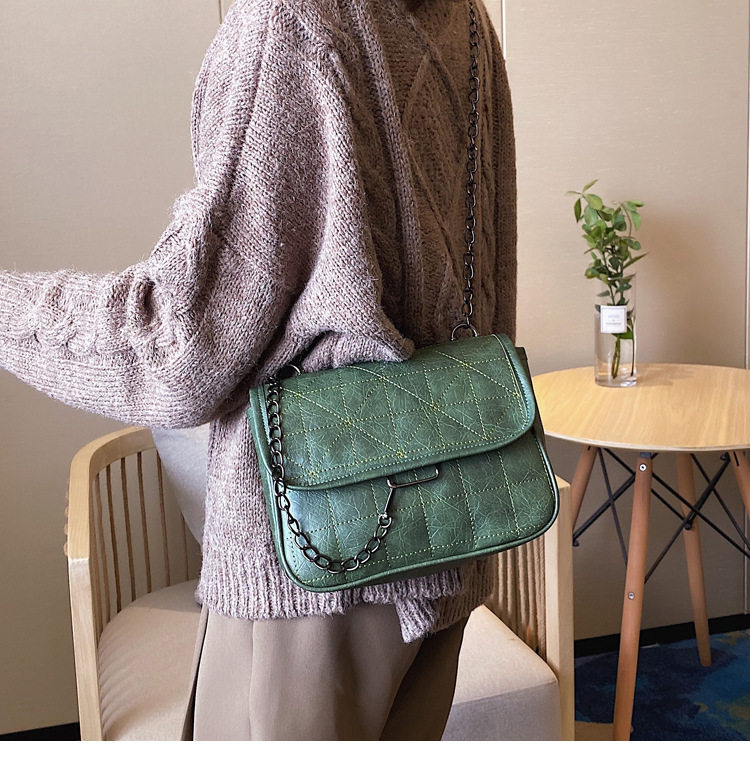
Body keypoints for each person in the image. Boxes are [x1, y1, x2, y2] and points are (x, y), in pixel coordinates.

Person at [0, 0, 516, 740]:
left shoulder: (287, 24)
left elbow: (181, 348)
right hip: (449, 534)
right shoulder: (466, 20)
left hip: (319, 564)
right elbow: (489, 293)